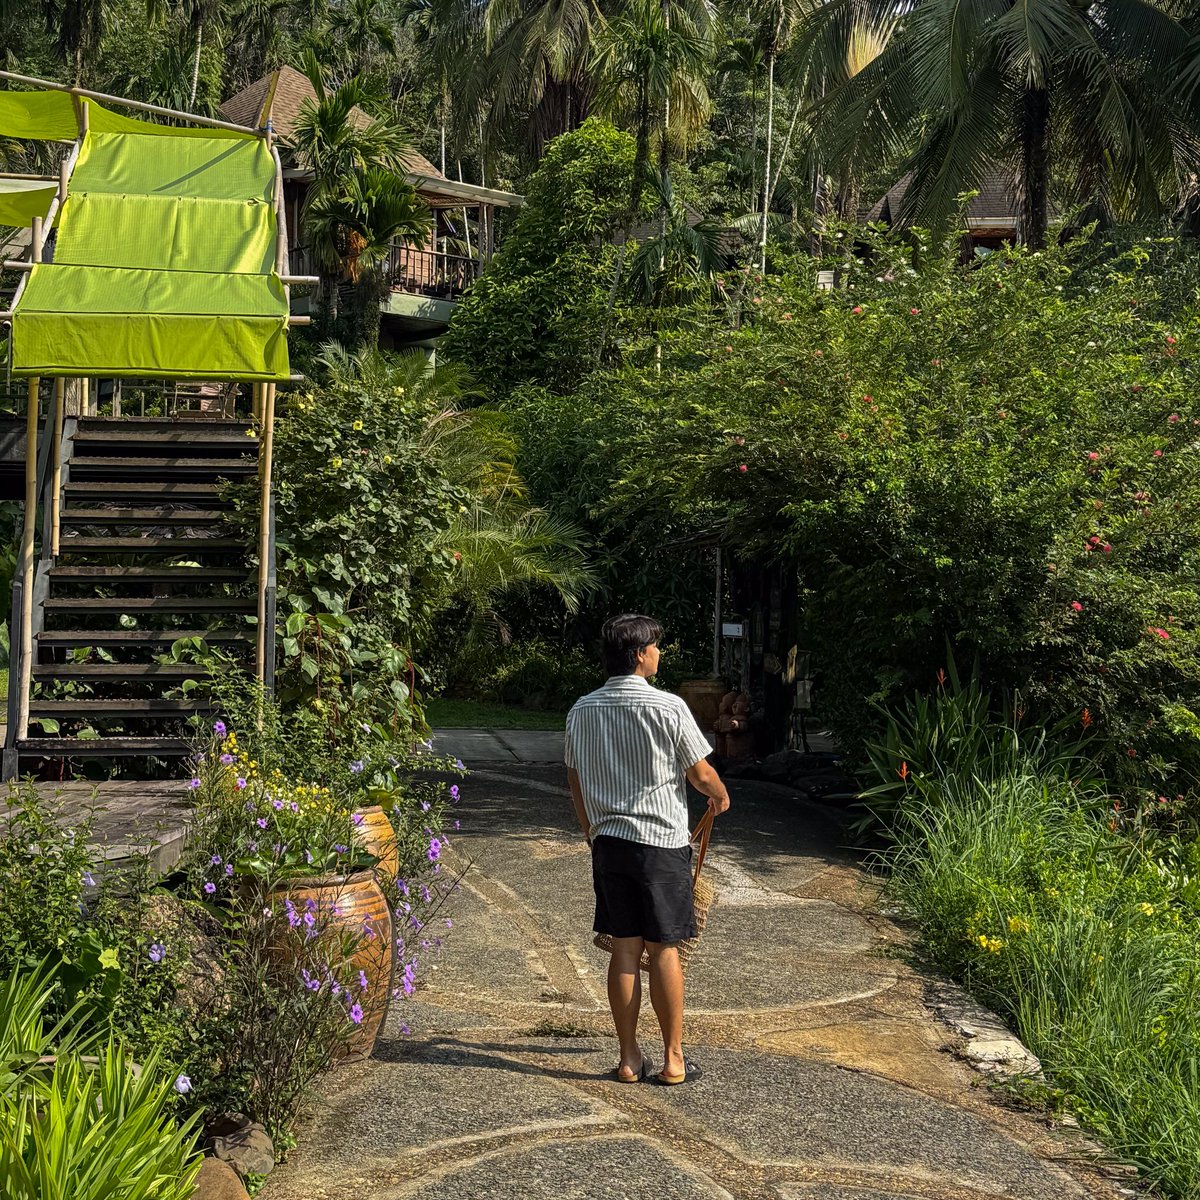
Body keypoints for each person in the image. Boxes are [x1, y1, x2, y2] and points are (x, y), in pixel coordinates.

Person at [565, 614, 730, 1086]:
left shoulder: (582, 710)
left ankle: (629, 1057)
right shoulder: (668, 707)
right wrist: (719, 795)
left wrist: (589, 830)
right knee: (664, 950)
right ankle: (674, 1058)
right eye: (656, 646)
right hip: (660, 844)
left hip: (610, 842)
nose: (659, 653)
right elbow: (700, 774)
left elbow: (575, 780)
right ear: (639, 654)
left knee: (623, 948)